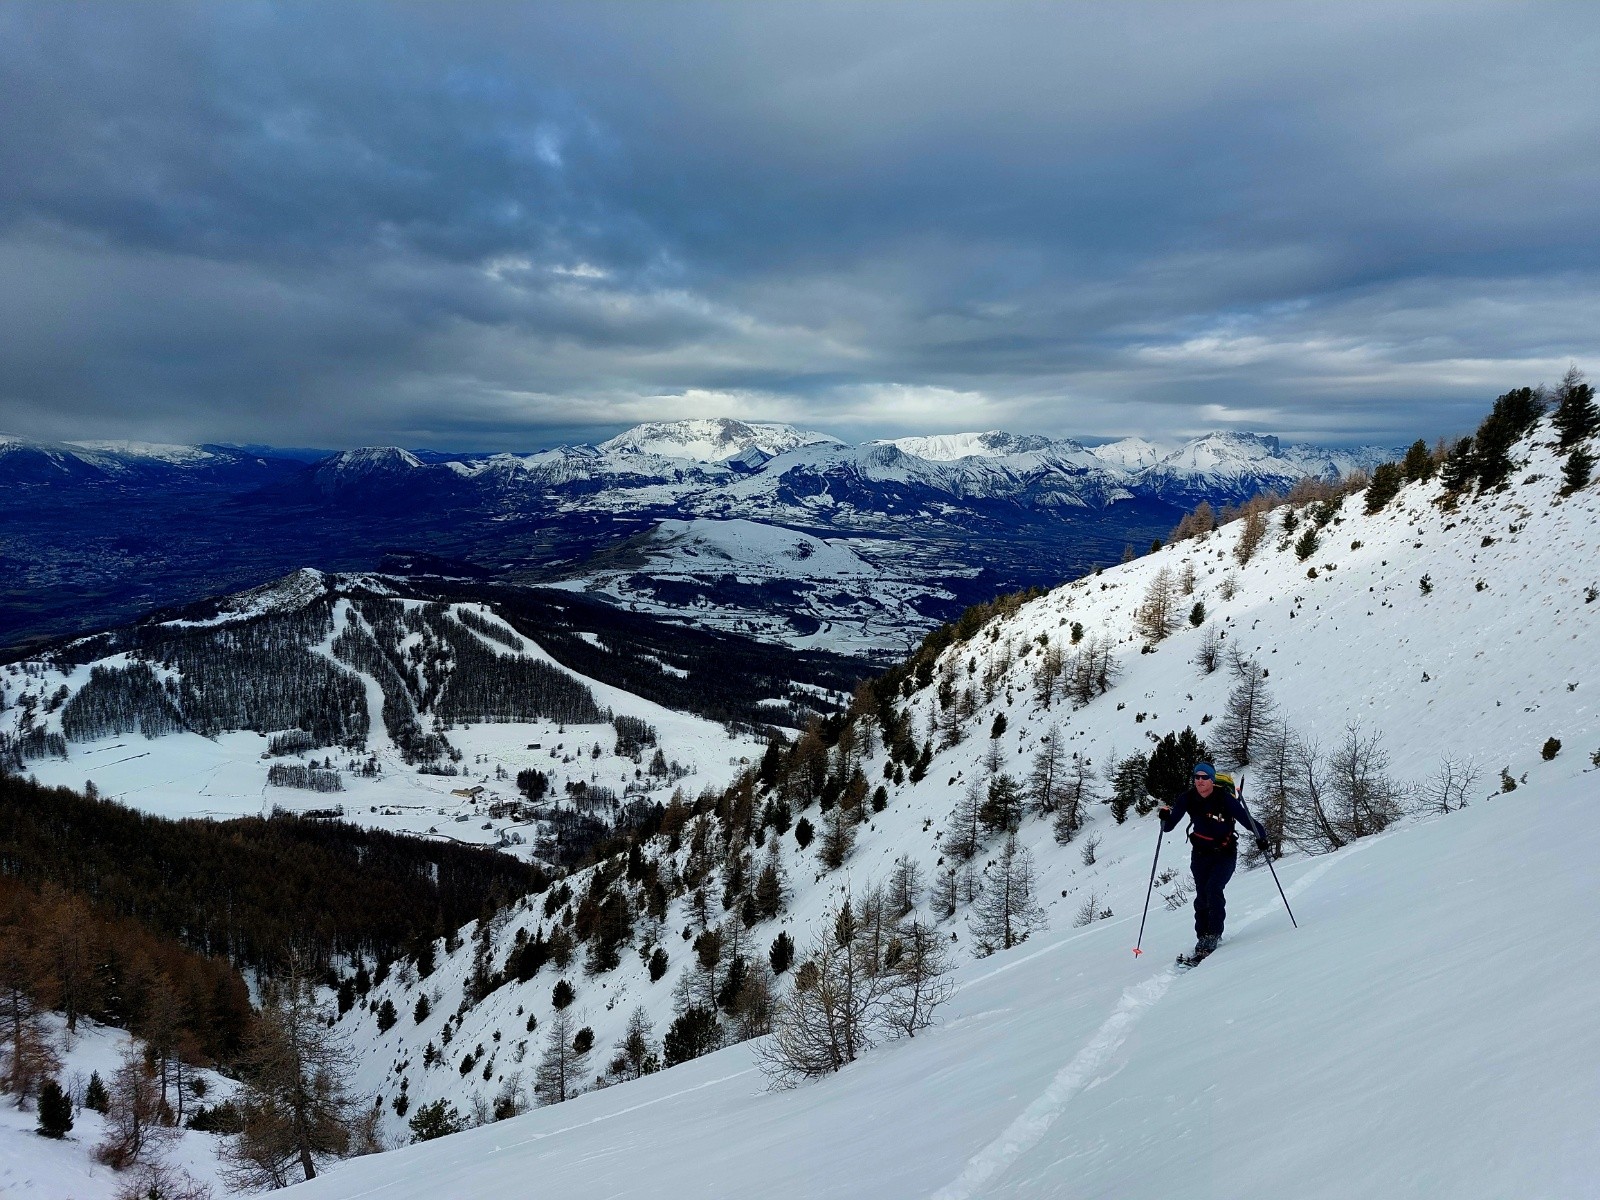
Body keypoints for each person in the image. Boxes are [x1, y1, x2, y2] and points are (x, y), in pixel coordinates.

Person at [1158, 762, 1270, 963]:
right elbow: (1168, 827)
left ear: (1212, 779)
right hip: (1200, 854)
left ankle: (1213, 934)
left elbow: (1247, 820)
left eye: (1204, 777)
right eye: (1196, 777)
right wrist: (1165, 817)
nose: (1199, 781)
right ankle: (1202, 936)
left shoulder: (1225, 799)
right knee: (1202, 895)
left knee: (1213, 888)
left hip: (1225, 853)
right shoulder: (1187, 798)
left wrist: (1262, 837)